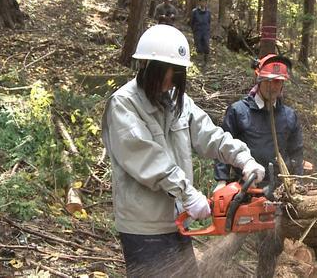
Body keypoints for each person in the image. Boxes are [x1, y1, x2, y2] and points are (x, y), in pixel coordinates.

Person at [101, 24, 265, 278]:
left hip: (177, 221)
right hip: (144, 227)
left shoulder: (177, 100)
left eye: (177, 74)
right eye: (167, 73)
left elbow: (209, 135)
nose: (171, 80)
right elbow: (147, 158)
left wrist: (243, 158)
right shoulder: (124, 104)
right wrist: (187, 192)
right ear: (148, 66)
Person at [213, 53, 303, 278]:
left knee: (269, 248)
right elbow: (222, 146)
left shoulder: (289, 116)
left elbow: (296, 152)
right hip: (244, 190)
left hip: (275, 192)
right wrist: (222, 181)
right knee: (230, 242)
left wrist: (298, 183)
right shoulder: (238, 111)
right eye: (272, 81)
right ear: (260, 80)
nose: (276, 86)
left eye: (280, 82)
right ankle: (207, 271)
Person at [190, 0, 211, 64]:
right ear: (199, 2)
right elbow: (191, 22)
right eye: (201, 1)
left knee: (206, 46)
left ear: (206, 2)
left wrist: (207, 30)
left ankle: (206, 61)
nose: (203, 3)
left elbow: (209, 21)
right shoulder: (194, 12)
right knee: (199, 46)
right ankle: (200, 61)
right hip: (197, 31)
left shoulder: (208, 12)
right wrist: (195, 30)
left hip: (205, 32)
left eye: (204, 1)